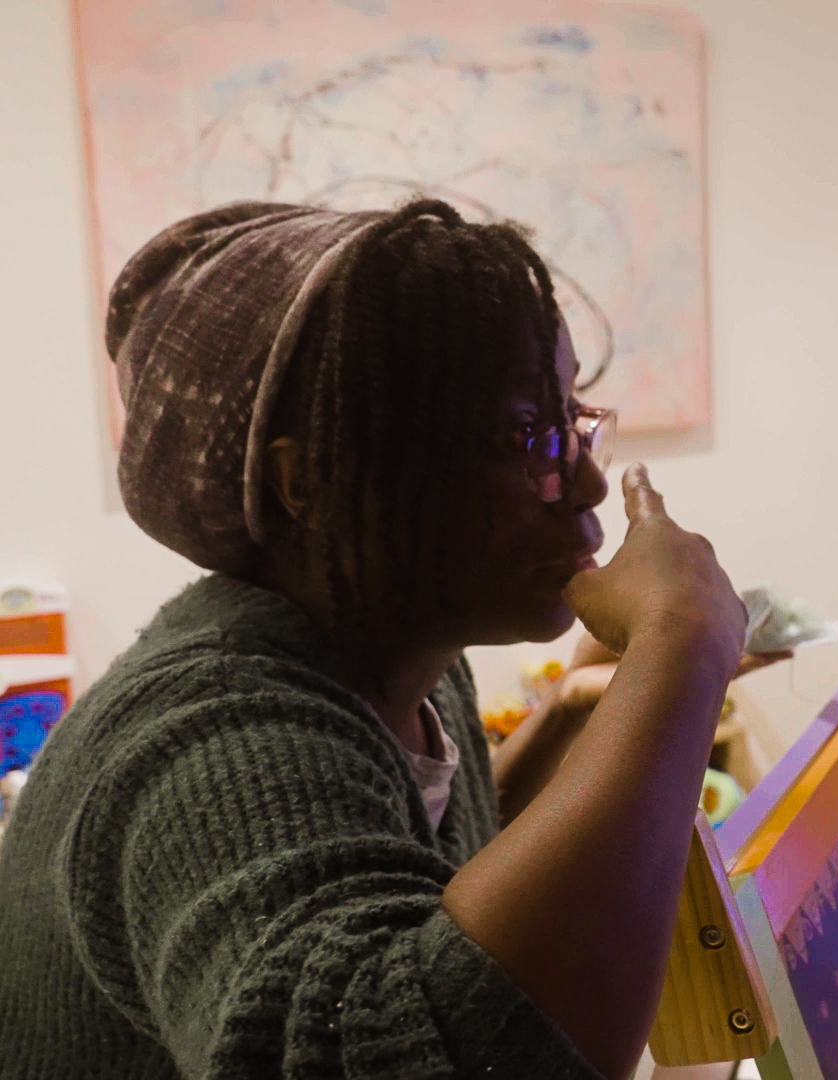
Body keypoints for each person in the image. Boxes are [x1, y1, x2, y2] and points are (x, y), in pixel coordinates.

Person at [0, 199, 756, 1080]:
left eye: (575, 420)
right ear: (304, 478)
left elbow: (412, 880)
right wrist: (679, 646)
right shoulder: (215, 738)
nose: (586, 480)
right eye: (532, 436)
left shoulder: (415, 668)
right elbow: (406, 1051)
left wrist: (572, 712)